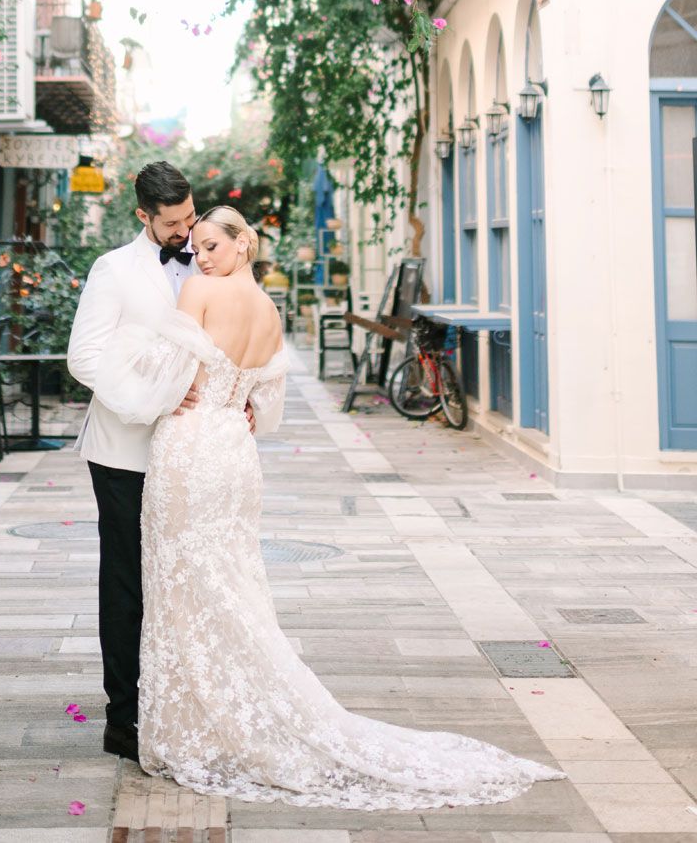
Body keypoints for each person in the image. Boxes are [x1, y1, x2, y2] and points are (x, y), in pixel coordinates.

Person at [85, 204, 565, 812]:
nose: (199, 257)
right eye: (197, 246)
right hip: (234, 450)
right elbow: (270, 405)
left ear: (241, 245)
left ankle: (195, 724)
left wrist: (155, 385)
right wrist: (233, 403)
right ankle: (225, 708)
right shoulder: (268, 309)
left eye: (210, 245)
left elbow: (163, 377)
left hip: (189, 448)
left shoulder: (200, 291)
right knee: (229, 581)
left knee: (182, 584)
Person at [67, 160, 200, 765]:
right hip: (124, 449)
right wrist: (155, 397)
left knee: (181, 578)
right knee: (126, 580)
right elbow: (84, 358)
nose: (185, 232)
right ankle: (123, 717)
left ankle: (178, 703)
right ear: (143, 216)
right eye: (173, 223)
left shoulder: (210, 258)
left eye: (190, 217)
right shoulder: (113, 270)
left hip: (191, 449)